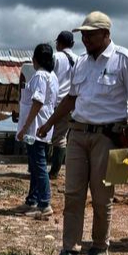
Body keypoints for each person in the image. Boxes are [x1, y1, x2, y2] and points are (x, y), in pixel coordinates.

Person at [37, 11, 128, 255]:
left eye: (90, 34)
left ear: (106, 34)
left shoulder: (124, 59)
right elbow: (71, 99)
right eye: (83, 34)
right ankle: (69, 250)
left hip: (108, 137)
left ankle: (99, 247)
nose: (85, 38)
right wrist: (50, 123)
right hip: (78, 134)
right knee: (73, 193)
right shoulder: (82, 64)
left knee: (101, 195)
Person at [15, 44, 59, 218]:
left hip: (35, 128)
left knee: (38, 164)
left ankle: (44, 203)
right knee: (34, 164)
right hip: (41, 126)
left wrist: (25, 127)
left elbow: (38, 101)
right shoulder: (52, 76)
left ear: (36, 59)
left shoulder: (40, 76)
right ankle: (32, 200)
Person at [48, 31, 79, 180]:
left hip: (55, 102)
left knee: (50, 135)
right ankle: (56, 169)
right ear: (72, 44)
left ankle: (52, 170)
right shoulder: (79, 60)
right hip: (71, 103)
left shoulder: (55, 57)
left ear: (58, 43)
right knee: (64, 136)